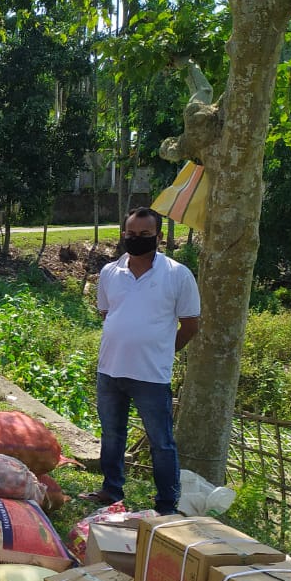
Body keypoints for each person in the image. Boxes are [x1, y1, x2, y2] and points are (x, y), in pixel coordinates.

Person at [82, 207, 200, 513]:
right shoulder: (110, 273)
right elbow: (108, 314)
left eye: (145, 235)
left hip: (151, 374)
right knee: (112, 434)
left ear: (159, 237)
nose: (136, 239)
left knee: (161, 442)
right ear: (123, 235)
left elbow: (190, 325)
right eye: (130, 234)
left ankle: (166, 504)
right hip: (110, 369)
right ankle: (111, 490)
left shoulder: (177, 275)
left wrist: (162, 351)